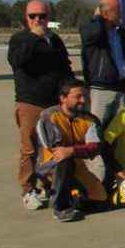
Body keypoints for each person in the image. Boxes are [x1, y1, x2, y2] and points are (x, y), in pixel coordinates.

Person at [8, 0, 73, 209]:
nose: (38, 20)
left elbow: (65, 68)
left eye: (42, 16)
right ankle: (28, 190)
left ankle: (48, 185)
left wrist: (71, 91)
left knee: (52, 147)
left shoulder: (54, 40)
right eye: (33, 16)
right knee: (29, 149)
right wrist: (33, 39)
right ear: (26, 18)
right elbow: (17, 61)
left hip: (53, 103)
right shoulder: (20, 39)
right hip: (29, 103)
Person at [34, 79, 107, 222]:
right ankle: (60, 208)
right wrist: (76, 150)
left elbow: (95, 147)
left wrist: (73, 150)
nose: (83, 100)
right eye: (78, 96)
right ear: (63, 98)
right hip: (50, 163)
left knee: (100, 198)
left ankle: (73, 195)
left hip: (76, 161)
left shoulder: (90, 120)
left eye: (85, 96)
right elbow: (56, 149)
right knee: (63, 161)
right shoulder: (49, 116)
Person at [80, 0, 125, 181]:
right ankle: (95, 179)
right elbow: (89, 35)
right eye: (116, 10)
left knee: (118, 135)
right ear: (105, 13)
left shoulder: (120, 33)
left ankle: (116, 175)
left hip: (120, 89)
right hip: (100, 89)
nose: (120, 14)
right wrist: (98, 19)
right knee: (95, 133)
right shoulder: (94, 29)